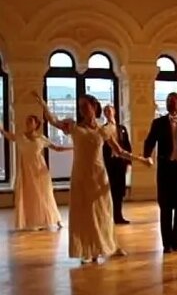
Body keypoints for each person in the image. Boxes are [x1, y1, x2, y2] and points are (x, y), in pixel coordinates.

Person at [35, 92, 149, 264]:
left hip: (98, 174)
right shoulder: (73, 126)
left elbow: (119, 151)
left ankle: (109, 245)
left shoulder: (103, 130)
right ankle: (87, 250)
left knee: (104, 212)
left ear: (94, 107)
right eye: (80, 106)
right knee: (84, 212)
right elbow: (53, 121)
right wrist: (44, 105)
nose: (82, 109)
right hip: (81, 175)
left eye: (85, 106)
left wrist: (141, 160)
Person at [143, 92, 177, 253]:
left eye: (173, 102)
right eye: (168, 101)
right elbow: (149, 141)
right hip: (165, 168)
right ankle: (167, 244)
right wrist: (146, 155)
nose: (170, 104)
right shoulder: (158, 123)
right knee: (165, 207)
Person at [0, 115, 70, 230]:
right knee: (30, 195)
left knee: (45, 193)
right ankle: (32, 221)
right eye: (27, 120)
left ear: (36, 124)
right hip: (26, 170)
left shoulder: (41, 138)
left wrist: (72, 148)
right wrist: (2, 130)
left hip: (39, 169)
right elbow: (10, 136)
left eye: (30, 121)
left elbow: (56, 148)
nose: (28, 123)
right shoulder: (21, 136)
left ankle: (56, 219)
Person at [102, 105, 132, 225]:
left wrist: (129, 162)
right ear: (104, 114)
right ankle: (108, 217)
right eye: (106, 111)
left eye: (110, 110)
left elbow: (127, 145)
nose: (108, 113)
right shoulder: (103, 129)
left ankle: (118, 216)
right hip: (109, 163)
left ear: (114, 112)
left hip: (120, 163)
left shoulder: (122, 128)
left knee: (119, 191)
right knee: (109, 191)